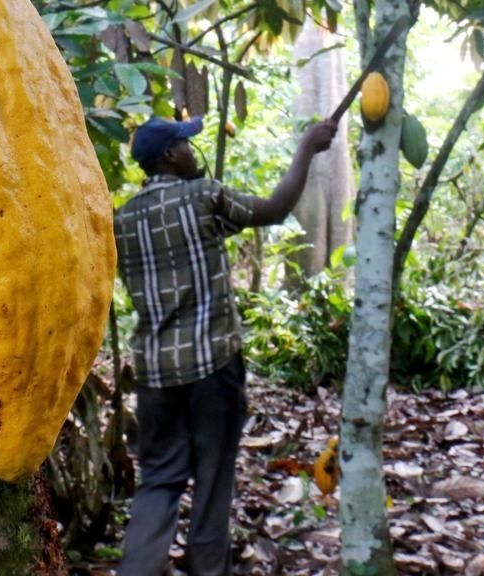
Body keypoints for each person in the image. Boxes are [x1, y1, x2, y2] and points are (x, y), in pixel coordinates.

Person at [114, 115, 338, 576]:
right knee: (213, 482)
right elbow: (275, 209)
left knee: (159, 481)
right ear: (170, 156)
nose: (192, 151)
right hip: (213, 368)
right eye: (185, 144)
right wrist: (307, 147)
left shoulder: (123, 220)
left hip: (155, 375)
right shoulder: (203, 196)